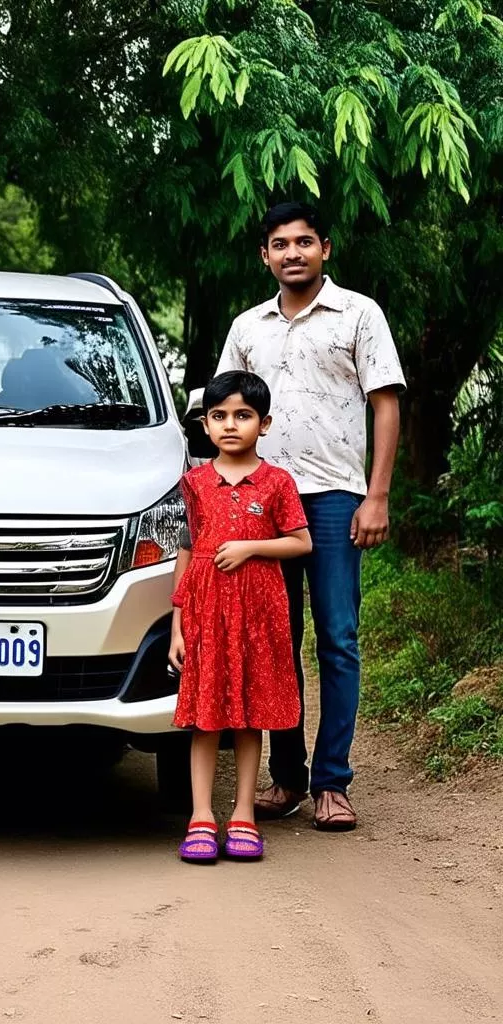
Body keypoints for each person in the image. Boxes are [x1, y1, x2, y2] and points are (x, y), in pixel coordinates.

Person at [217, 202, 405, 831]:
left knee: (338, 639)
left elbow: (385, 405)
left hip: (334, 497)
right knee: (275, 640)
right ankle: (287, 778)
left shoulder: (359, 314)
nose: (292, 253)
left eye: (303, 242)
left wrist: (376, 496)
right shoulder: (247, 327)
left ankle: (332, 782)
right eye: (280, 244)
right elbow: (226, 410)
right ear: (264, 256)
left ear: (324, 248)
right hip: (262, 500)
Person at [169, 372, 311, 863]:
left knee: (250, 715)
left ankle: (244, 814)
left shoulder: (277, 482)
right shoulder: (194, 483)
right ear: (206, 425)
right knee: (205, 718)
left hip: (258, 613)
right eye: (220, 416)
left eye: (243, 415)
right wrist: (177, 625)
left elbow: (301, 542)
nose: (231, 425)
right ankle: (200, 817)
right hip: (206, 612)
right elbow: (187, 552)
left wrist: (251, 547)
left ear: (263, 424)